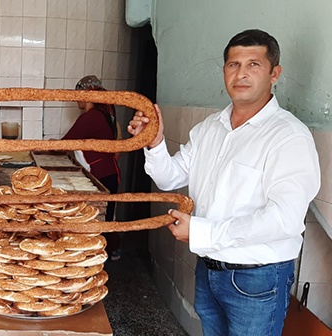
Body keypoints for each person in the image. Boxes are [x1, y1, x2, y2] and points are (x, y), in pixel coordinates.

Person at [127, 29, 320, 335]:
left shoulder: (288, 136)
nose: (241, 74)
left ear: (275, 73)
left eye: (253, 64)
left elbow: (284, 218)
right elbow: (170, 177)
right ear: (224, 71)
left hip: (258, 278)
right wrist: (155, 142)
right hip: (209, 268)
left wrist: (202, 231)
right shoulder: (210, 129)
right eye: (233, 65)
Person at [62, 75, 122, 261]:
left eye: (78, 94)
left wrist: (44, 146)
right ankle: (108, 252)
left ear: (87, 94)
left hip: (101, 174)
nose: (76, 98)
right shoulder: (104, 115)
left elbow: (66, 143)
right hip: (108, 172)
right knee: (106, 215)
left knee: (100, 218)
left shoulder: (91, 117)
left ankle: (103, 256)